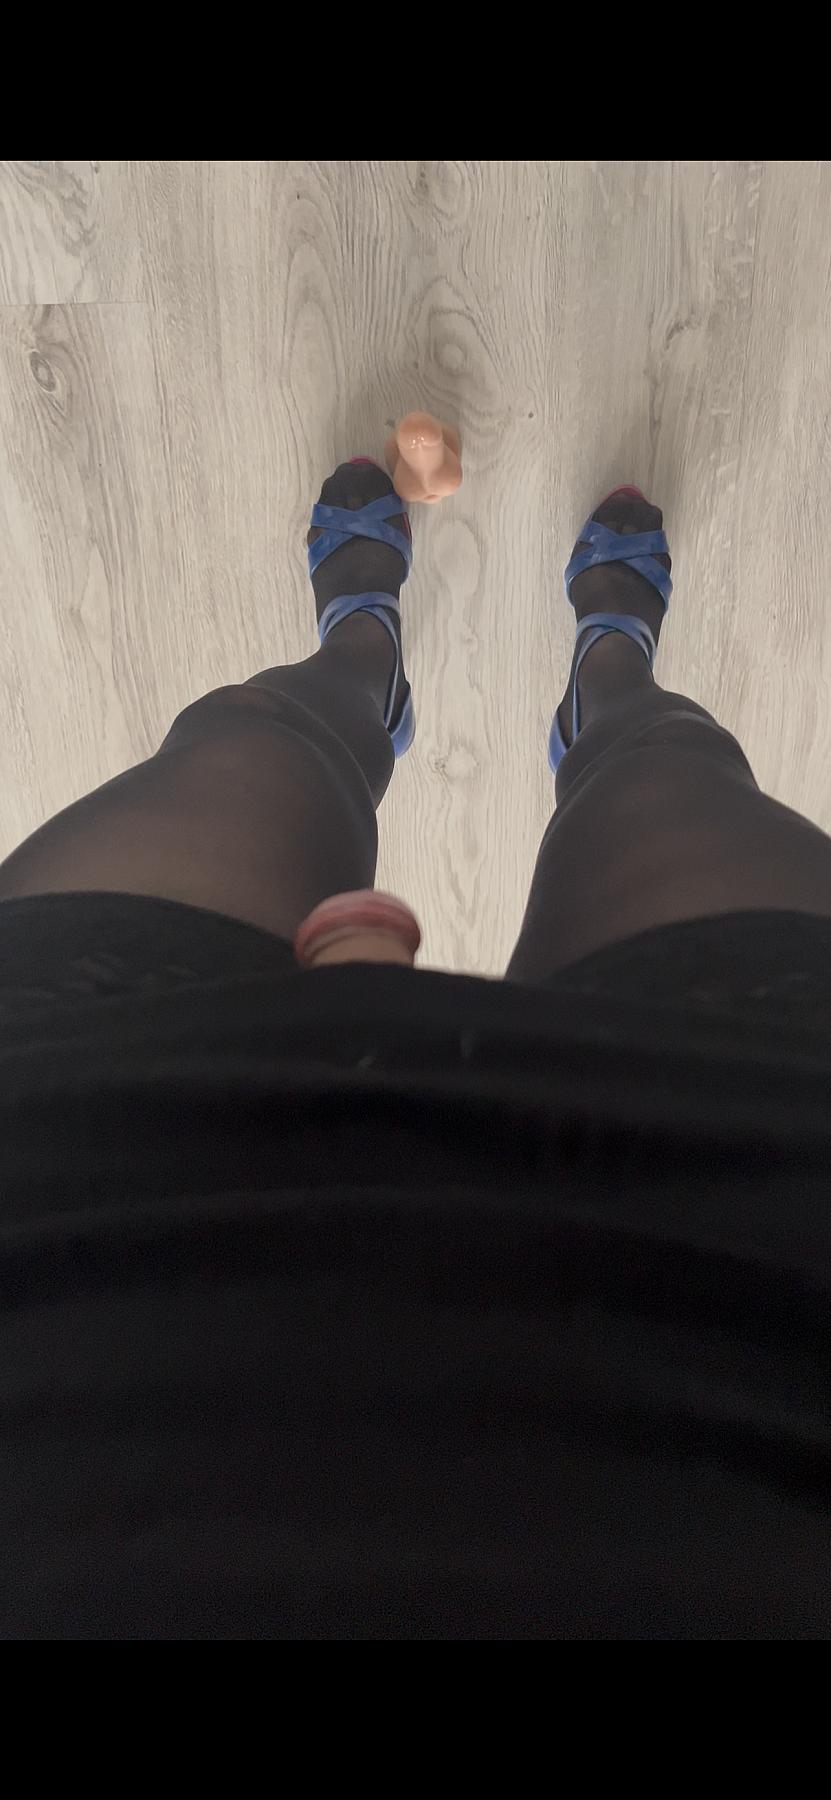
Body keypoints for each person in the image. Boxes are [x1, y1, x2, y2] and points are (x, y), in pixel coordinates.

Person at [1, 459, 830, 1639]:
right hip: (759, 1285)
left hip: (68, 1243)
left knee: (248, 743)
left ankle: (363, 664)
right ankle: (611, 686)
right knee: (673, 776)